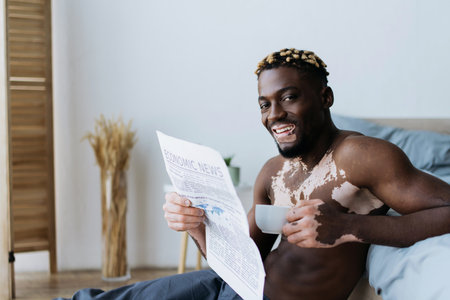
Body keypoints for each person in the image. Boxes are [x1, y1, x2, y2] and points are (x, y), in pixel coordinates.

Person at [58, 49, 450, 300]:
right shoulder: (273, 172)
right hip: (227, 289)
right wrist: (195, 226)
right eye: (264, 103)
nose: (274, 114)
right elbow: (241, 262)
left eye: (289, 97)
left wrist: (347, 227)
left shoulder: (362, 156)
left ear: (325, 98)